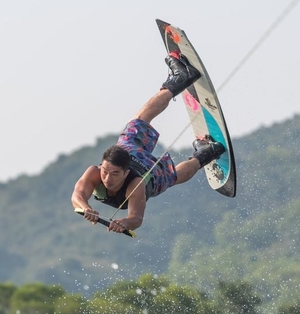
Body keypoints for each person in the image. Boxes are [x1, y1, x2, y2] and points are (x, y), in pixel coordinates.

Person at [71, 52, 225, 234]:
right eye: (105, 171)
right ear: (101, 167)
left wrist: (127, 222)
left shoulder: (135, 184)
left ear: (125, 173)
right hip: (131, 154)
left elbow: (135, 218)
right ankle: (207, 152)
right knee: (171, 175)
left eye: (114, 174)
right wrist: (86, 208)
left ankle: (181, 79)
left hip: (143, 168)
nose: (107, 178)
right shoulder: (95, 173)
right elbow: (78, 195)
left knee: (142, 123)